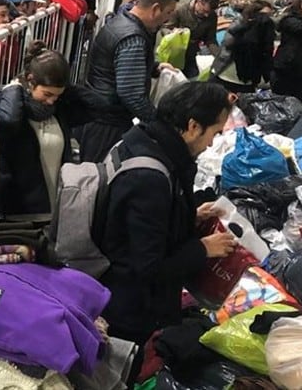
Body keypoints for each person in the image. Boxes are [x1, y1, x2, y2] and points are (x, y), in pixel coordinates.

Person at [98, 82, 235, 382]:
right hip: (127, 307)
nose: (212, 144)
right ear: (193, 126)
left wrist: (188, 215)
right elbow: (148, 266)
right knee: (119, 375)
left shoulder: (138, 142)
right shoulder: (150, 176)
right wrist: (204, 248)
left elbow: (135, 224)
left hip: (112, 286)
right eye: (214, 133)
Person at [0, 42, 93, 223]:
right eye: (47, 94)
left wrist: (67, 88)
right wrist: (14, 88)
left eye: (57, 95)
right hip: (19, 213)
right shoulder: (11, 105)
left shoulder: (58, 110)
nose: (51, 101)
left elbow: (98, 106)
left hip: (55, 208)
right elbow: (9, 122)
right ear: (30, 81)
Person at [80, 0, 179, 163]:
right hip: (108, 121)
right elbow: (131, 93)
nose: (167, 19)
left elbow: (115, 64)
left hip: (96, 113)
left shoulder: (119, 21)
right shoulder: (133, 38)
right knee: (97, 175)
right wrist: (159, 124)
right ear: (155, 9)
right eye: (168, 13)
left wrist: (154, 67)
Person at [210, 0, 276, 93]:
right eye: (263, 15)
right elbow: (227, 43)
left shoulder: (267, 32)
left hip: (248, 79)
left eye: (269, 15)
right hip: (226, 71)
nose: (265, 19)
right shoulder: (239, 24)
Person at [167, 0, 221, 78]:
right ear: (199, 1)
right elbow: (165, 29)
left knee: (194, 77)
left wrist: (219, 56)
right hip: (174, 53)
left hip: (192, 52)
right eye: (204, 11)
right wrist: (175, 32)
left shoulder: (212, 16)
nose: (206, 15)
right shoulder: (180, 10)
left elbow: (210, 39)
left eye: (209, 12)